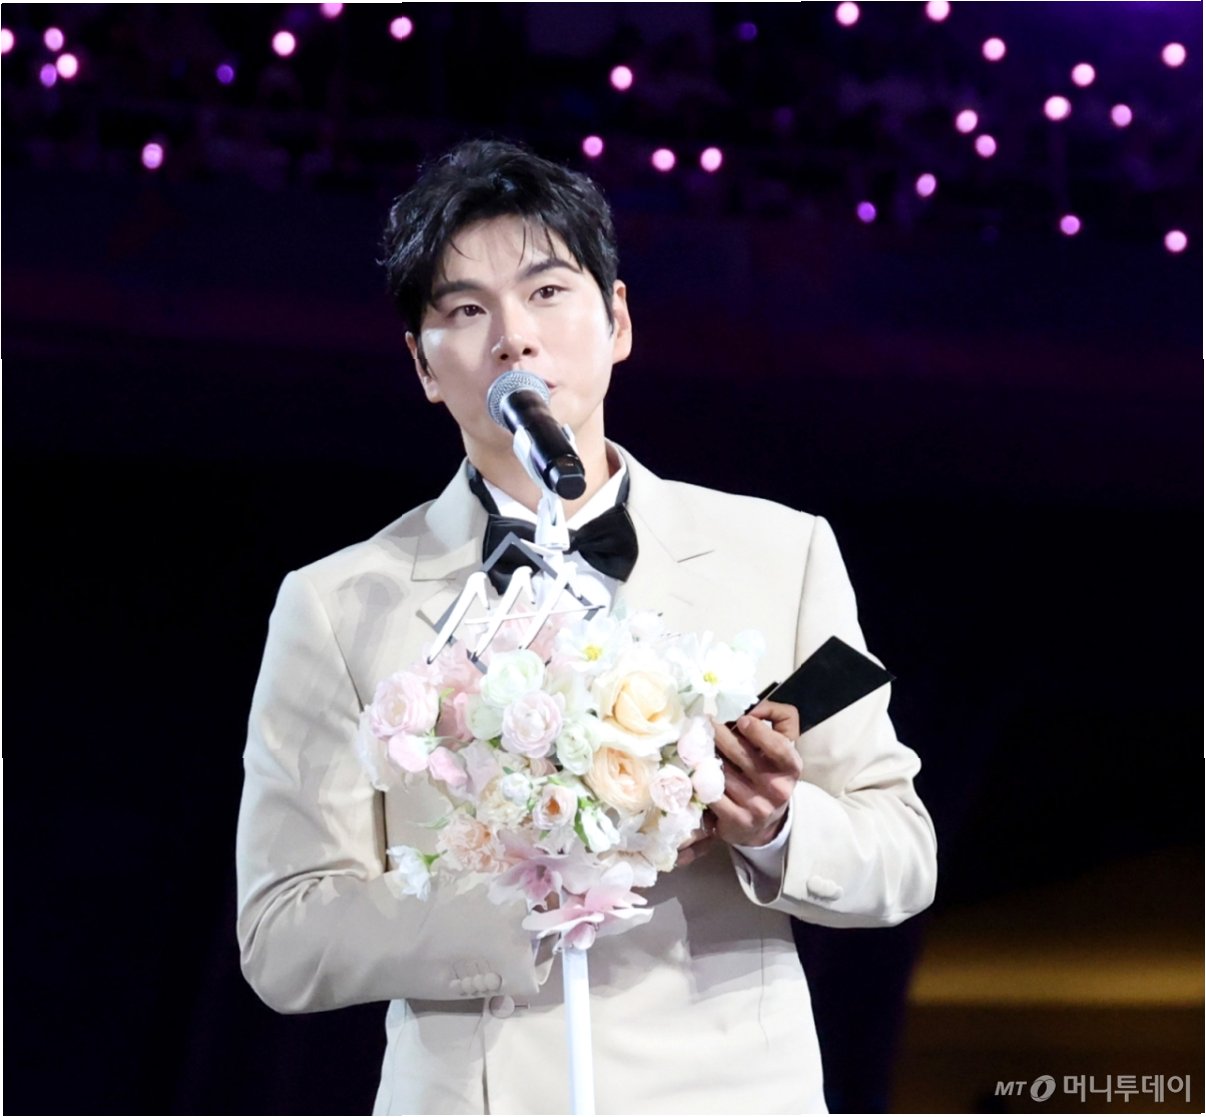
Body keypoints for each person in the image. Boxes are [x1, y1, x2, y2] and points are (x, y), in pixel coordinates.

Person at [235, 138, 936, 1115]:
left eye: (548, 292)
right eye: (465, 310)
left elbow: (901, 855)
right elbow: (283, 932)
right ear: (423, 364)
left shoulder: (781, 554)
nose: (514, 339)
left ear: (618, 320)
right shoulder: (341, 601)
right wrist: (525, 891)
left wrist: (774, 826)